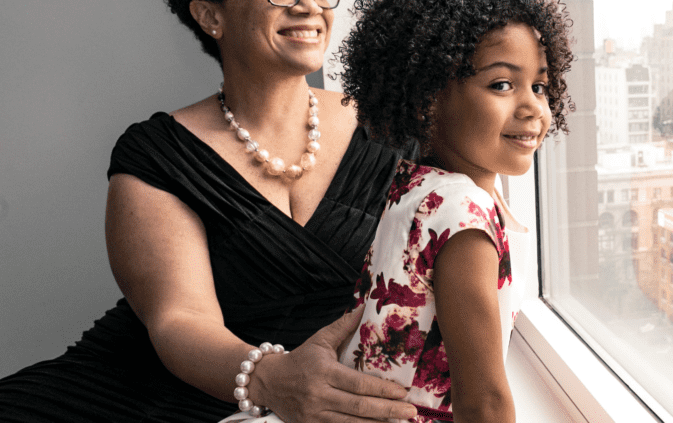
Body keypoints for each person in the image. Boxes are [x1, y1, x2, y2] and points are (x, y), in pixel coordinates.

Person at [0, 1, 419, 422]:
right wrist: (273, 380)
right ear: (210, 15)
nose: (308, 5)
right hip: (135, 393)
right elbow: (179, 319)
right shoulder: (158, 153)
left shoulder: (397, 124)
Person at [219, 0, 574, 421]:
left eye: (539, 86)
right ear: (428, 100)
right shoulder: (464, 217)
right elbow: (485, 402)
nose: (533, 106)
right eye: (501, 85)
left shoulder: (414, 183)